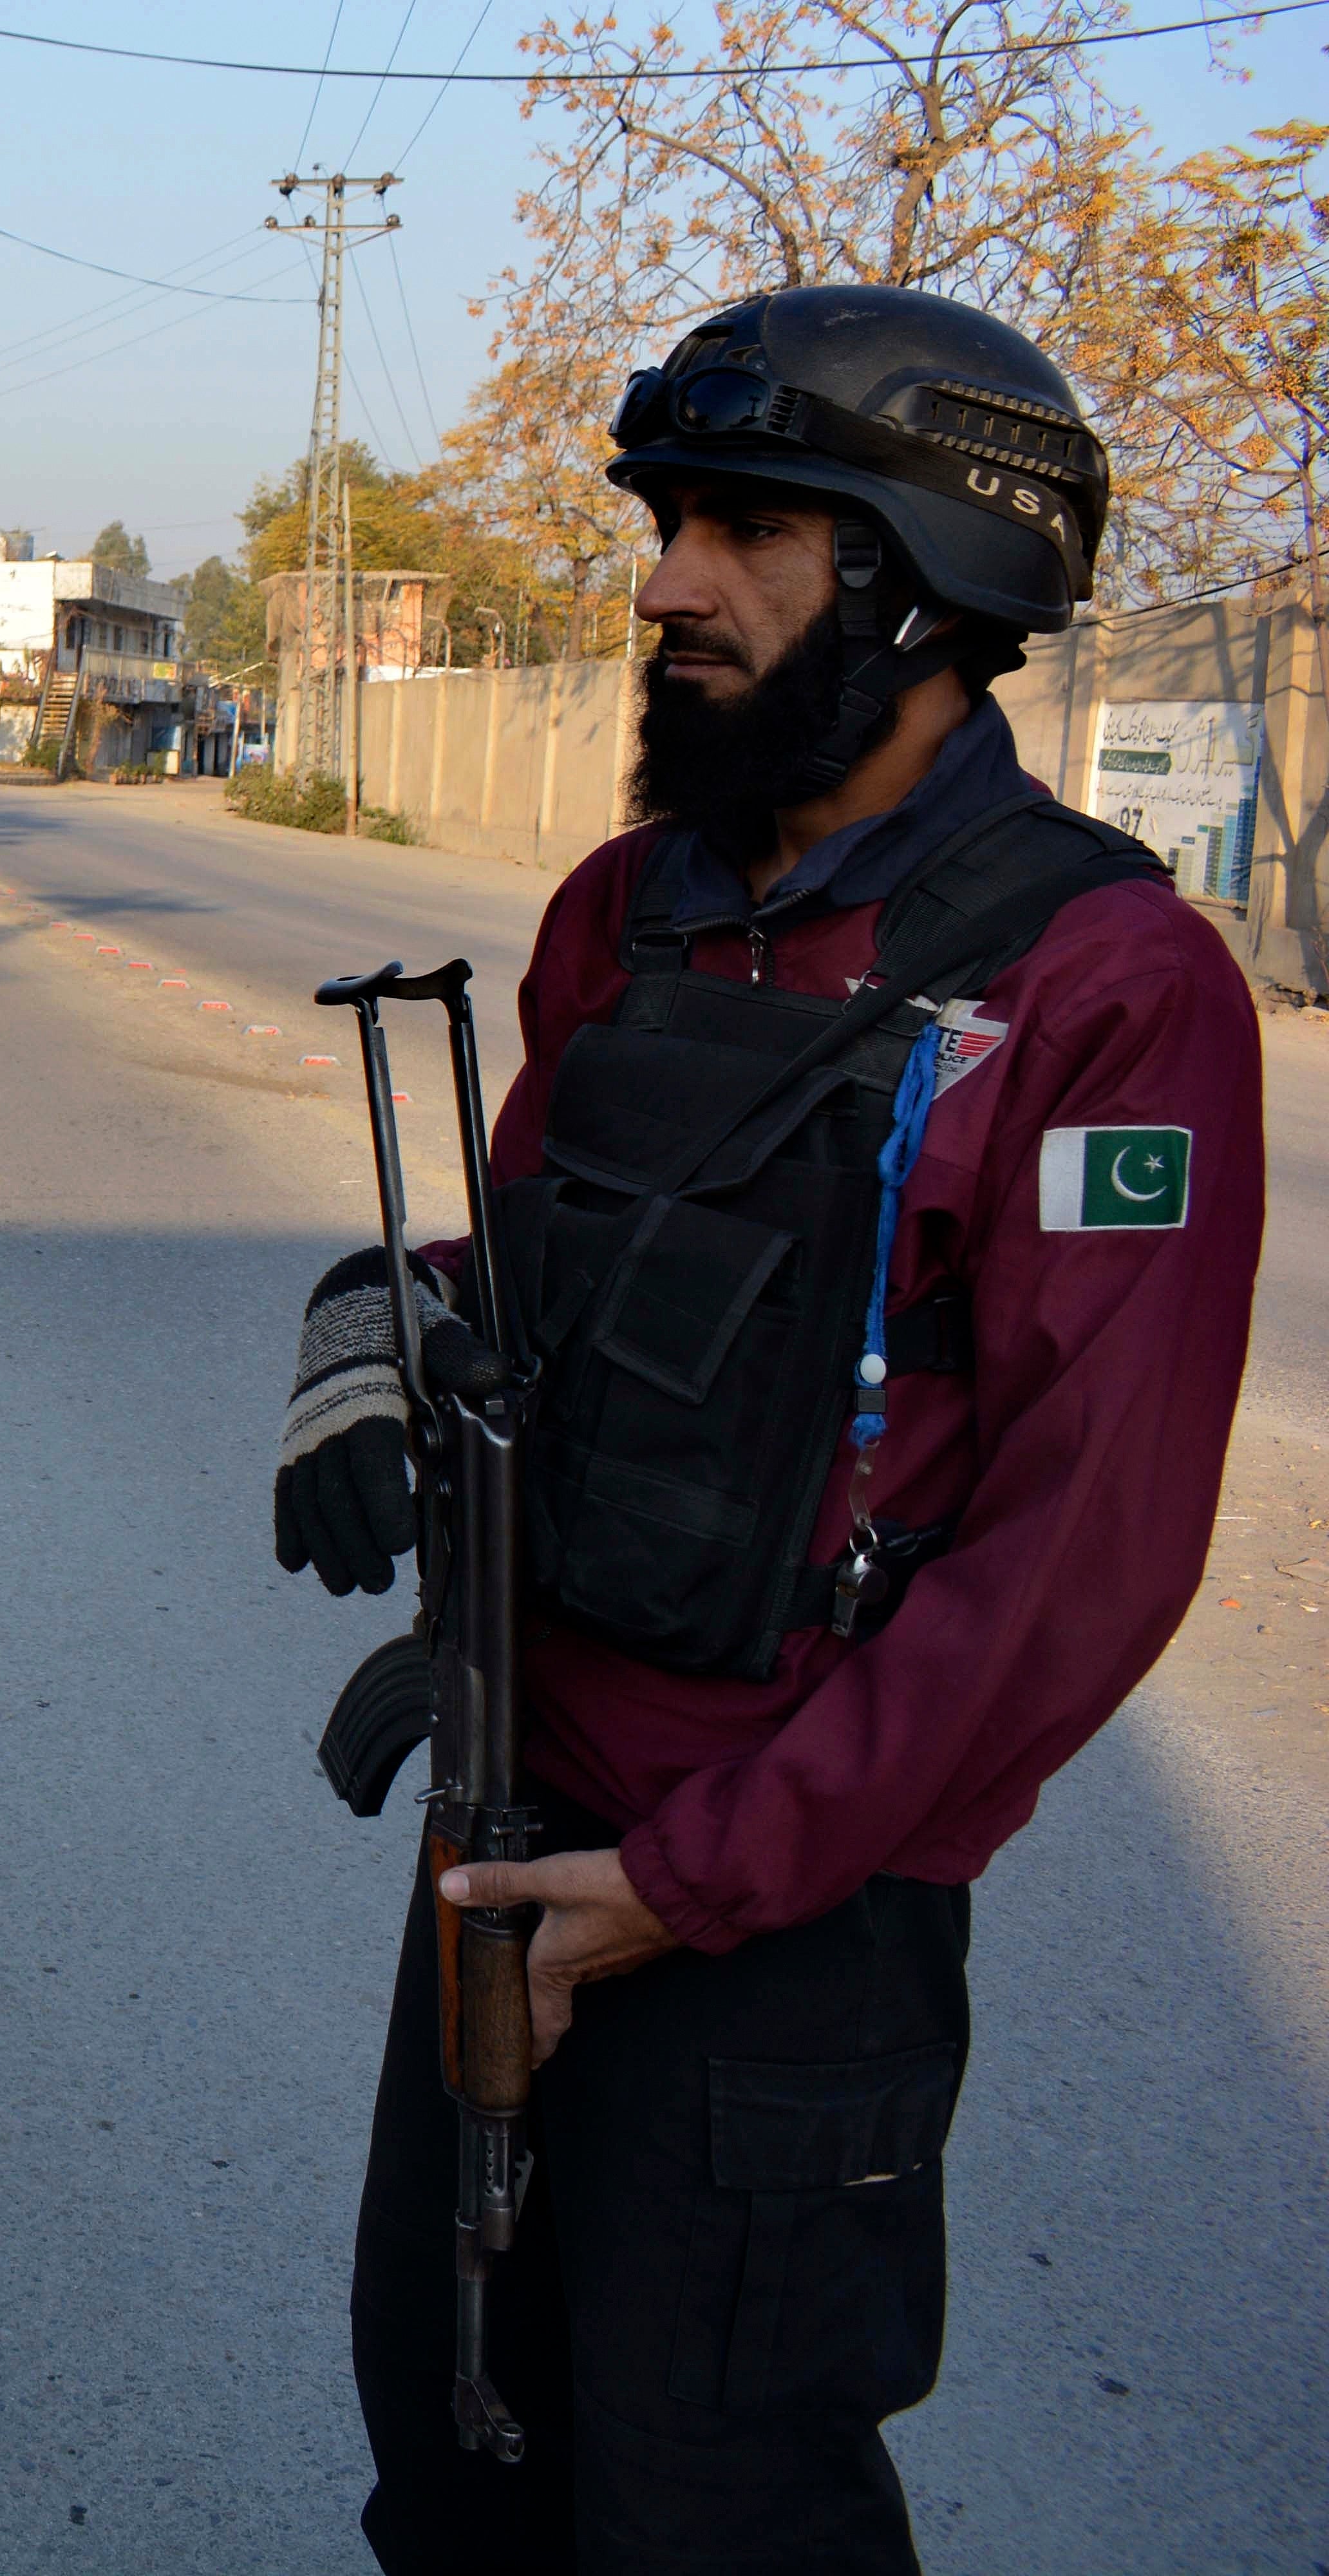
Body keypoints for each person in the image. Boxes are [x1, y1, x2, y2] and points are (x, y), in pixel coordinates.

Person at [271, 286, 1265, 2570]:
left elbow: (1078, 1558)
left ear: (921, 577)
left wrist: (688, 1890)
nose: (660, 583)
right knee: (453, 2449)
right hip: (513, 1830)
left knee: (711, 2504)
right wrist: (362, 1325)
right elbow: (525, 1273)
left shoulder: (1107, 990)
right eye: (664, 524)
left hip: (778, 1914)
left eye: (745, 531)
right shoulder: (624, 915)